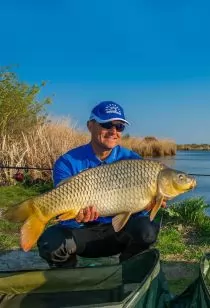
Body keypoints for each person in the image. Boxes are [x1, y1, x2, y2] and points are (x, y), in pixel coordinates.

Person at [37, 101, 165, 268]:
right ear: (90, 125)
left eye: (119, 127)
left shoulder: (132, 160)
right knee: (50, 243)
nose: (113, 131)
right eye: (106, 124)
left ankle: (129, 271)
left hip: (118, 233)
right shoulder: (67, 162)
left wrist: (147, 206)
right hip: (83, 232)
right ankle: (69, 276)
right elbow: (64, 215)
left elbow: (140, 214)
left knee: (147, 230)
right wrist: (78, 217)